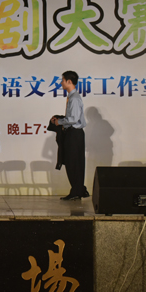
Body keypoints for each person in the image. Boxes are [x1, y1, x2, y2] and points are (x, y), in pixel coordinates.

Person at [50, 70, 89, 200]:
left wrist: (59, 122)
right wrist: (59, 119)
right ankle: (78, 190)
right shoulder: (72, 97)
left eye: (62, 80)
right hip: (72, 133)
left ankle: (77, 191)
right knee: (72, 162)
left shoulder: (75, 98)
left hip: (74, 133)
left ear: (69, 81)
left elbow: (74, 118)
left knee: (74, 163)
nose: (61, 83)